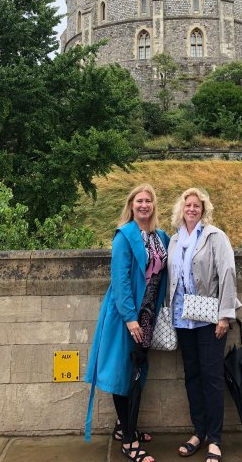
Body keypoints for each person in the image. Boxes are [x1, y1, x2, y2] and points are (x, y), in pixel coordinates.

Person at [85, 184, 169, 462]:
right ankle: (129, 442)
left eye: (148, 201)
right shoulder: (124, 235)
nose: (144, 205)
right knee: (126, 373)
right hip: (128, 316)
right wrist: (131, 319)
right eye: (139, 201)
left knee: (137, 372)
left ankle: (124, 427)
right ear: (131, 205)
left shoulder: (161, 237)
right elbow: (120, 281)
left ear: (154, 206)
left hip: (149, 315)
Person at [167, 188, 241, 462]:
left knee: (211, 379)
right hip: (182, 320)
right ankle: (198, 431)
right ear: (181, 209)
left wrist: (225, 315)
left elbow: (228, 274)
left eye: (197, 205)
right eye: (188, 205)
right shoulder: (174, 240)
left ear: (204, 209)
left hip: (209, 320)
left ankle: (215, 438)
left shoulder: (215, 237)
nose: (192, 209)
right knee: (192, 378)